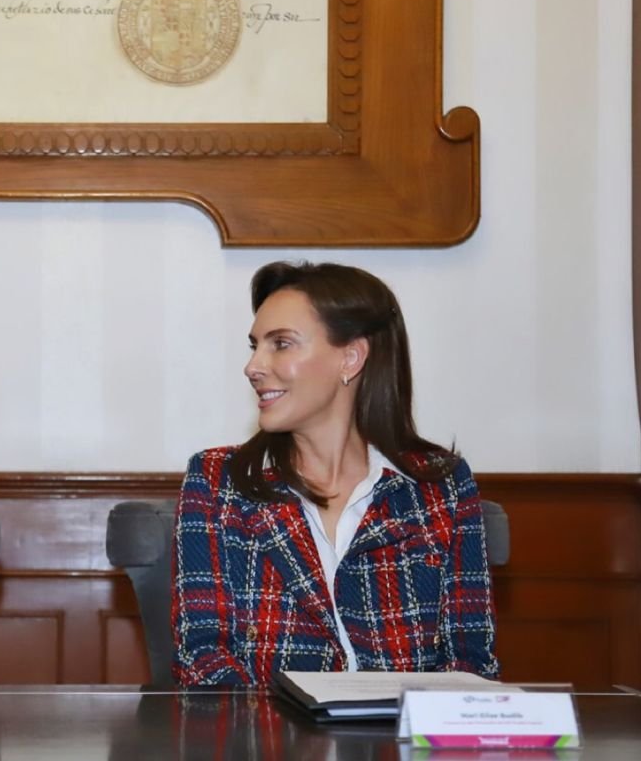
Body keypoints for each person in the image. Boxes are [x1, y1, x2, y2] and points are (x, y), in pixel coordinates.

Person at [172, 261, 498, 685]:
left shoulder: (441, 486)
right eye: (254, 346)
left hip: (402, 728)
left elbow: (471, 662)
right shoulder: (218, 480)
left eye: (281, 344)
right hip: (262, 727)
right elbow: (201, 658)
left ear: (351, 357)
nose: (253, 366)